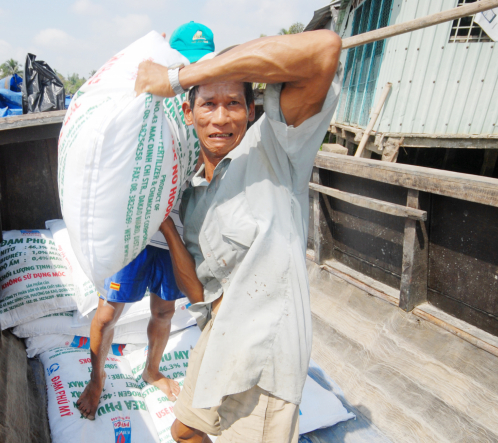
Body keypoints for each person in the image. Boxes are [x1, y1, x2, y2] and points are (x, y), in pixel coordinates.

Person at [135, 30, 342, 442]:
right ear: (188, 114)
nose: (221, 117)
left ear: (251, 110)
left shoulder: (276, 150)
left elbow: (324, 50)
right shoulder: (192, 196)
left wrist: (177, 77)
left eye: (233, 104)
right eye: (208, 104)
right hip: (218, 332)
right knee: (184, 432)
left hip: (266, 349)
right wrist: (166, 228)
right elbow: (197, 292)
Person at [76, 21, 216, 421]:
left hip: (176, 238)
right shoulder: (152, 98)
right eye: (188, 65)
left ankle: (152, 371)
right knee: (108, 312)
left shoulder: (211, 107)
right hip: (137, 235)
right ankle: (97, 379)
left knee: (164, 312)